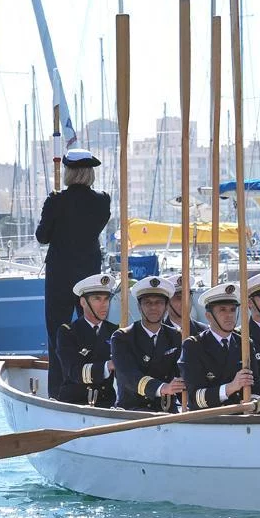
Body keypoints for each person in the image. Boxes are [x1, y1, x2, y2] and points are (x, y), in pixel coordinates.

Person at [35, 148, 111, 399]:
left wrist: (56, 210)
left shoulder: (56, 200)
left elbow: (42, 237)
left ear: (68, 172)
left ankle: (58, 391)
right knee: (92, 330)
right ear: (90, 174)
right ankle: (96, 385)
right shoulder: (103, 200)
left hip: (60, 274)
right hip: (89, 273)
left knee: (58, 332)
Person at [111, 275, 186, 411]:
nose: (153, 307)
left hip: (167, 410)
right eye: (148, 303)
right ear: (139, 307)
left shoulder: (175, 336)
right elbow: (128, 375)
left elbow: (181, 373)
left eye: (158, 302)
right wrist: (162, 388)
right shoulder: (123, 338)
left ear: (166, 306)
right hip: (132, 412)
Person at [179, 283, 258, 411]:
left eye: (233, 310)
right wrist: (231, 387)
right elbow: (194, 398)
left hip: (241, 418)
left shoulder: (245, 344)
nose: (229, 315)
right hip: (209, 420)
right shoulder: (194, 346)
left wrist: (254, 400)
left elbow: (256, 386)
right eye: (222, 310)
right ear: (209, 316)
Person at [55, 273, 118, 406]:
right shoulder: (68, 332)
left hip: (107, 402)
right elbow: (74, 372)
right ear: (83, 302)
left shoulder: (116, 331)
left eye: (106, 299)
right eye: (97, 299)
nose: (104, 305)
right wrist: (108, 365)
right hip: (74, 403)